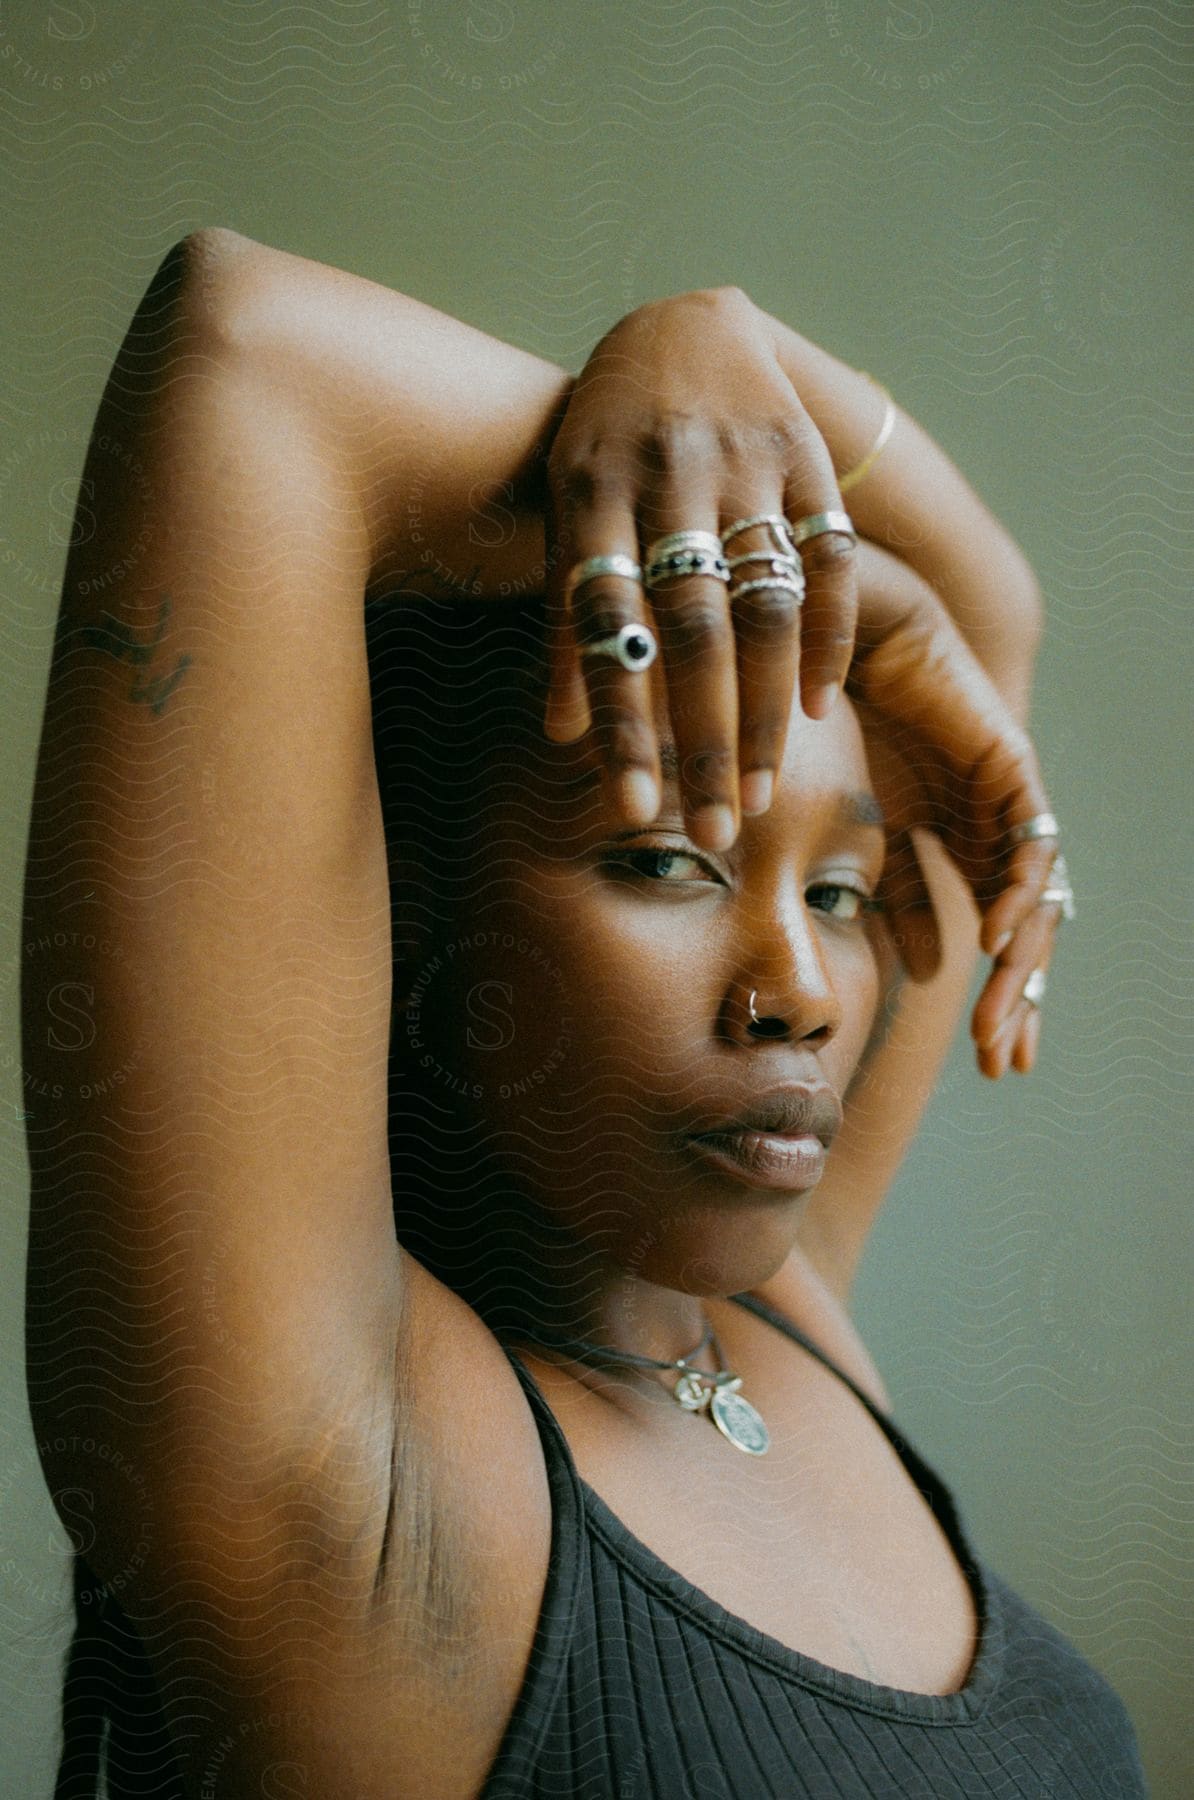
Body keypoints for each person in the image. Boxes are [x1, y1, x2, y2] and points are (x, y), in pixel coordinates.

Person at [21, 229, 1143, 1799]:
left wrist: (716, 344)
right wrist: (703, 455)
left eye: (837, 891)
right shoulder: (340, 1487)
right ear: (410, 920)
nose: (802, 995)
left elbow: (982, 600)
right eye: (661, 857)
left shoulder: (768, 1324)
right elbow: (245, 356)